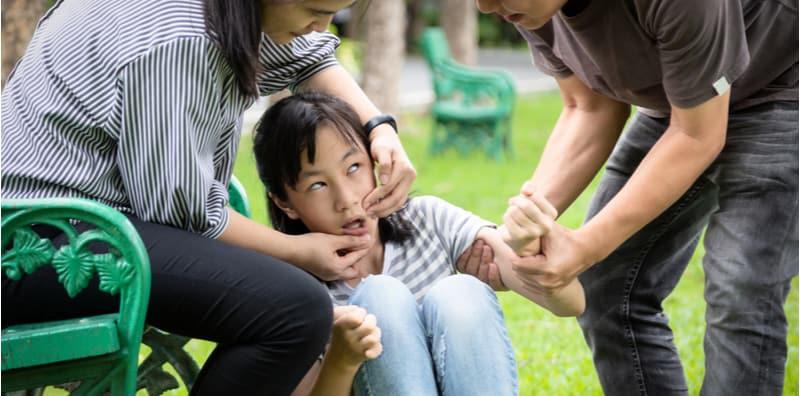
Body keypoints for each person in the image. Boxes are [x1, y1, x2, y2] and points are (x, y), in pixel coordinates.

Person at [1, 0, 416, 394]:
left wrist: (379, 127)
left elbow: (311, 59)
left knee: (291, 305)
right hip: (34, 242)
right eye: (314, 10)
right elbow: (185, 212)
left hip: (85, 226)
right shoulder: (180, 37)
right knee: (295, 312)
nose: (322, 26)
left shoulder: (223, 11)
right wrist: (297, 249)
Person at [466, 0, 798, 394]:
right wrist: (515, 234)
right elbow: (589, 106)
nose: (484, 6)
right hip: (679, 101)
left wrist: (585, 246)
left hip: (778, 87)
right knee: (606, 286)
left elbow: (697, 135)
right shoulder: (526, 6)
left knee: (741, 292)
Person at [251, 91, 585, 396]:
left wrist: (527, 250)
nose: (347, 200)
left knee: (461, 291)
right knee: (380, 296)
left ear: (375, 160)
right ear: (285, 202)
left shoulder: (427, 220)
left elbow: (569, 304)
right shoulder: (294, 289)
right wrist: (343, 358)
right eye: (318, 185)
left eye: (354, 167)